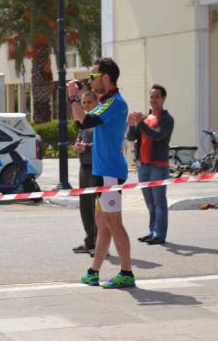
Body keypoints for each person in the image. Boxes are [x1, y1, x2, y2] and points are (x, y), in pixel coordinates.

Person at [67, 57, 135, 289]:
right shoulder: (105, 101)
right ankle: (93, 271)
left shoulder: (114, 102)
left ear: (105, 78)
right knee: (102, 223)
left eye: (94, 77)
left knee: (114, 222)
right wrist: (74, 99)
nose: (91, 81)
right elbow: (80, 123)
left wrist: (73, 97)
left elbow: (85, 120)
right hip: (101, 171)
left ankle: (126, 272)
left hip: (109, 173)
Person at [127, 84, 174, 245]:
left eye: (157, 97)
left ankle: (159, 234)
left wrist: (140, 122)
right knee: (150, 202)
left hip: (158, 166)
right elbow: (131, 137)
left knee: (159, 202)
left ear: (163, 99)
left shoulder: (167, 119)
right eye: (151, 96)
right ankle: (152, 231)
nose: (153, 100)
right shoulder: (146, 118)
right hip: (144, 165)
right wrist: (132, 124)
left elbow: (157, 136)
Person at [72, 90, 99, 256]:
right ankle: (89, 240)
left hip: (96, 168)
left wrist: (86, 147)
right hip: (84, 167)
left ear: (96, 103)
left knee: (97, 209)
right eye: (84, 103)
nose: (87, 105)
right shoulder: (84, 122)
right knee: (84, 207)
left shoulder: (98, 121)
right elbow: (79, 139)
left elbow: (102, 144)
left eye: (90, 102)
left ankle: (99, 244)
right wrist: (77, 146)